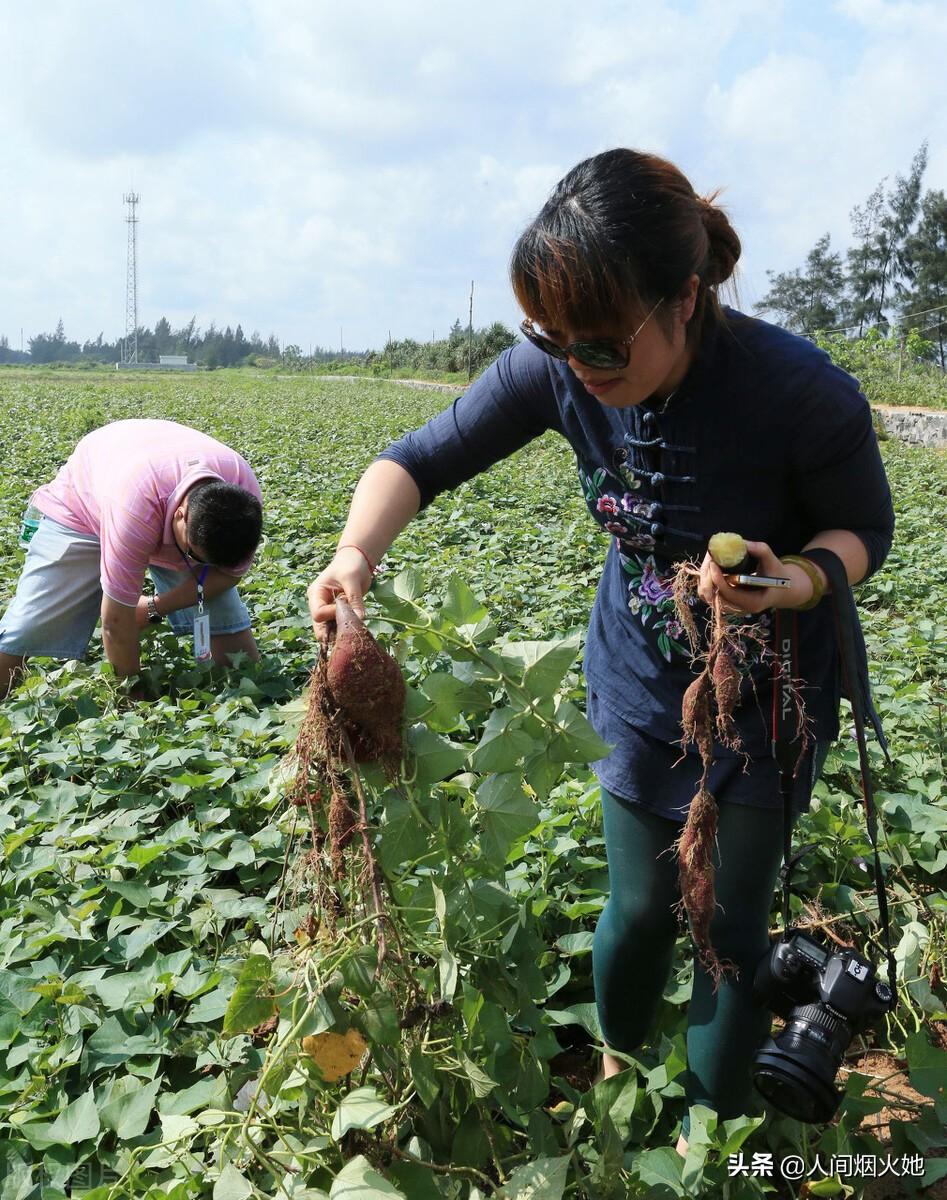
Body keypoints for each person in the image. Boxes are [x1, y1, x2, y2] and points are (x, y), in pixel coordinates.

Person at [306, 149, 894, 1154]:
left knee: (729, 930)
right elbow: (417, 458)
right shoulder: (556, 367)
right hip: (635, 678)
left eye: (604, 345)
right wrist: (354, 553)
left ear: (684, 299)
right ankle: (620, 1075)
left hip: (766, 697)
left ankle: (712, 1141)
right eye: (555, 339)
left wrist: (785, 580)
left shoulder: (795, 392)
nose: (579, 365)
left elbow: (860, 535)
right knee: (635, 907)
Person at [0, 418, 263, 695]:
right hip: (86, 500)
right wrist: (134, 701)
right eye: (191, 554)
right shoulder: (134, 511)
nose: (200, 565)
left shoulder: (242, 499)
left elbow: (228, 574)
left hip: (150, 468)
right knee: (30, 626)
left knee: (232, 641)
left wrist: (154, 607)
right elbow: (115, 622)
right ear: (180, 516)